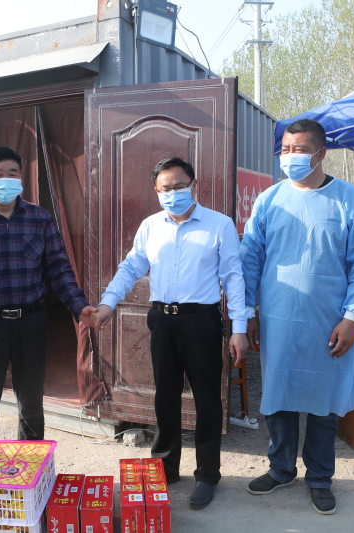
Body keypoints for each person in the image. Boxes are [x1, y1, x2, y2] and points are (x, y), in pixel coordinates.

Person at [91, 157, 250, 510]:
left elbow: (233, 278)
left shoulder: (219, 225)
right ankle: (165, 467)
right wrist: (107, 304)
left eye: (179, 186)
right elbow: (131, 267)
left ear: (194, 185)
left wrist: (239, 328)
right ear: (156, 191)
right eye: (166, 188)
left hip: (201, 321)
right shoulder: (151, 226)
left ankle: (207, 474)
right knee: (165, 395)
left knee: (207, 399)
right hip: (162, 320)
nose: (173, 193)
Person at [239, 119, 354, 515]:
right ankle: (281, 468)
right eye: (285, 149)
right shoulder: (270, 200)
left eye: (299, 149)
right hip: (279, 317)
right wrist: (248, 311)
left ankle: (319, 477)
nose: (290, 157)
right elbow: (250, 260)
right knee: (278, 395)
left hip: (329, 320)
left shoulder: (348, 200)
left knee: (324, 401)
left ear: (320, 153)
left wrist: (352, 316)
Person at [0, 146, 96, 465]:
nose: (6, 179)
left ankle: (32, 474)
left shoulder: (40, 219)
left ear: (21, 177)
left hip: (31, 323)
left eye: (13, 173)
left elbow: (58, 269)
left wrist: (79, 307)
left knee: (32, 404)